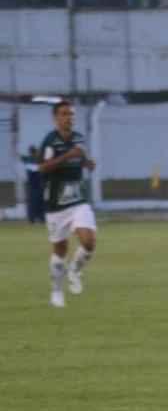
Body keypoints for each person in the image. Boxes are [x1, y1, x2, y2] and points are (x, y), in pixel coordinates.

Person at [38, 100, 97, 309]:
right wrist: (66, 156)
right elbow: (43, 168)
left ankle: (75, 270)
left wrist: (87, 163)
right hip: (56, 205)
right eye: (64, 114)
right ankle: (56, 291)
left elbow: (80, 160)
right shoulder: (50, 141)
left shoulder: (79, 138)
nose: (69, 118)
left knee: (88, 241)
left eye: (71, 114)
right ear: (56, 118)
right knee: (60, 250)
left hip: (78, 200)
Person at [22, 145, 46, 224]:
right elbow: (36, 169)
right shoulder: (32, 161)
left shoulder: (30, 160)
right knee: (38, 202)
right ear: (34, 152)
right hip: (36, 186)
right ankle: (38, 218)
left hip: (35, 186)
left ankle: (34, 219)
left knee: (35, 203)